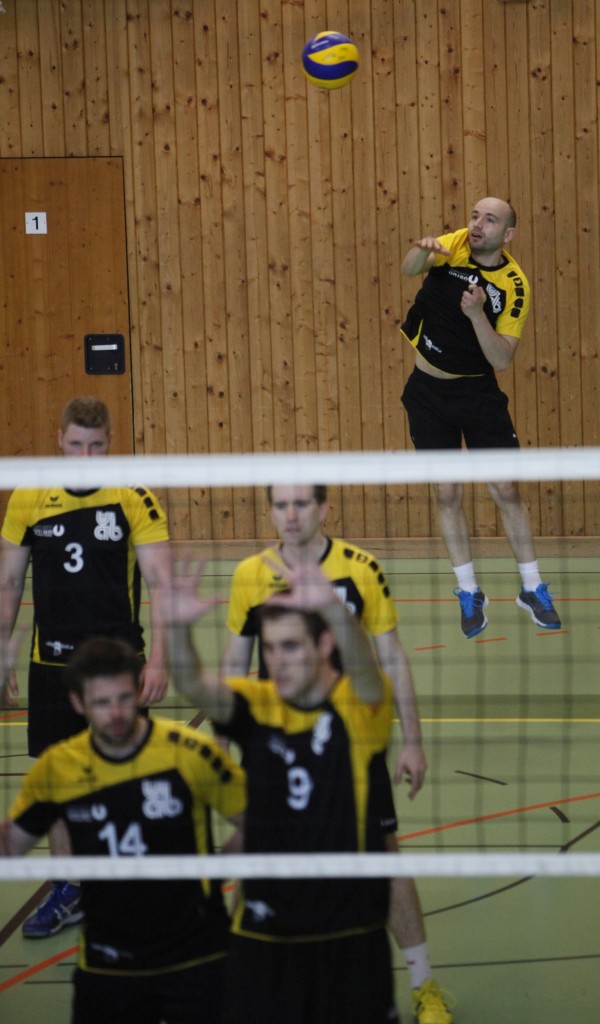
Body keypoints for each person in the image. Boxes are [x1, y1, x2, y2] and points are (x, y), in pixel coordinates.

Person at [221, 485, 452, 1024]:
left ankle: (424, 985)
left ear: (325, 510)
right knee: (259, 856)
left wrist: (412, 742)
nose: (291, 514)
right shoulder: (251, 574)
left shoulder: (360, 569)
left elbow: (392, 658)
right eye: (281, 505)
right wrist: (223, 746)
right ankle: (241, 985)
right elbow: (234, 664)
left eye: (302, 504)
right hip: (276, 744)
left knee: (382, 854)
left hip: (352, 742)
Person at [163, 555, 399, 1024]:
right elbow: (192, 682)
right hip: (265, 931)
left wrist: (333, 608)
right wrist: (175, 629)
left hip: (349, 929)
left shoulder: (357, 710)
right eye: (269, 649)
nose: (277, 662)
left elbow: (367, 671)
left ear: (324, 644)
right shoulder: (258, 704)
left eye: (290, 646)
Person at [0, 635, 246, 1024]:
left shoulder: (188, 753)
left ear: (139, 692)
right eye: (101, 702)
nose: (115, 713)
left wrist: (218, 873)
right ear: (77, 703)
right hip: (108, 963)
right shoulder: (58, 768)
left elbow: (259, 821)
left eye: (124, 698)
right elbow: (10, 847)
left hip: (196, 956)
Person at [0, 396, 172, 938]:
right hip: (51, 664)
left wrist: (160, 658)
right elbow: (8, 582)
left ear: (110, 442)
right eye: (76, 445)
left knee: (126, 776)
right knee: (55, 781)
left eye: (96, 446)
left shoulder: (133, 496)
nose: (86, 456)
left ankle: (133, 885)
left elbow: (163, 584)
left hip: (118, 666)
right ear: (59, 439)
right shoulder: (29, 495)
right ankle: (69, 887)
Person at [400, 197, 561, 639]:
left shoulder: (514, 285)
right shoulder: (454, 245)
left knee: (506, 488)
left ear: (507, 234)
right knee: (447, 492)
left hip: (477, 393)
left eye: (489, 220)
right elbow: (410, 269)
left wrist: (475, 315)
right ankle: (469, 592)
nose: (477, 225)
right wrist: (423, 250)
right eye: (474, 216)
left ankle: (532, 588)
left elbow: (502, 359)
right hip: (428, 394)